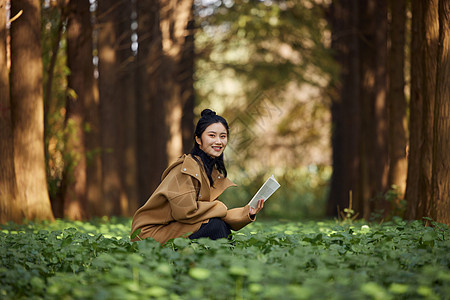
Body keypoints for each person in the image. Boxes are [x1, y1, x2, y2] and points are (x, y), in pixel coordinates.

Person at [130, 109, 264, 244]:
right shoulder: (186, 169)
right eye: (212, 136)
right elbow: (185, 213)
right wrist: (218, 207)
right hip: (149, 236)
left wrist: (248, 212)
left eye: (223, 136)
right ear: (198, 139)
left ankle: (226, 260)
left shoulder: (209, 171)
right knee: (215, 226)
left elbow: (213, 214)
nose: (218, 141)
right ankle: (228, 261)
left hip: (174, 227)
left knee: (216, 224)